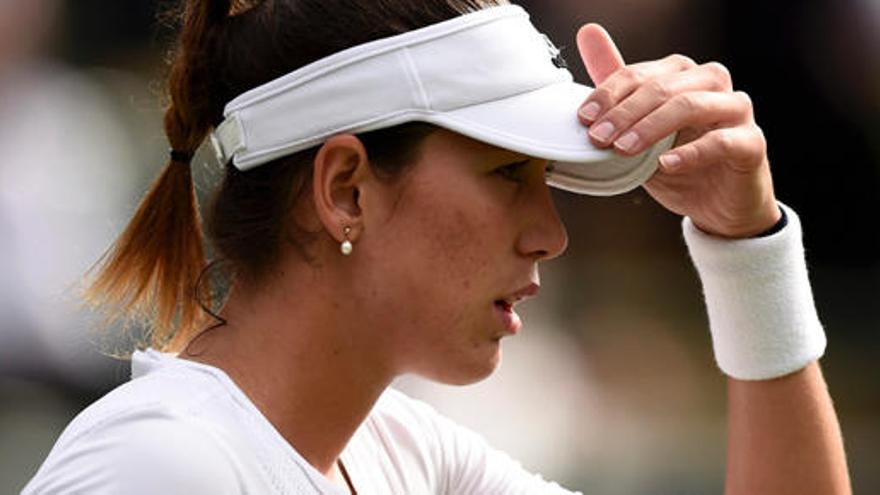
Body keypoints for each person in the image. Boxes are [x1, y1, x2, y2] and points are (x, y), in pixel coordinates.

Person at [23, 1, 850, 494]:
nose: (551, 233)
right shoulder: (159, 467)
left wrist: (748, 247)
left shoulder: (402, 457)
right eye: (506, 173)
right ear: (346, 187)